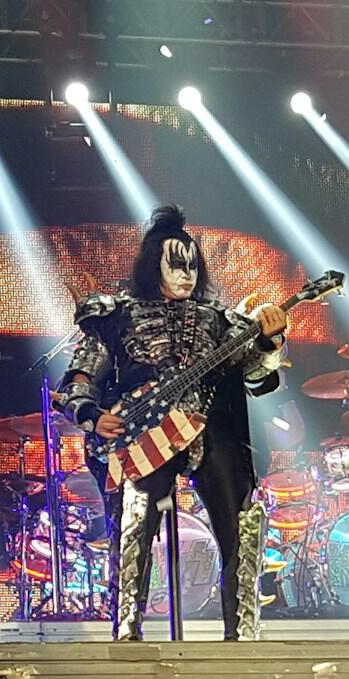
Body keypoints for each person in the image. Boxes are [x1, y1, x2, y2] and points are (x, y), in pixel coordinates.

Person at [59, 206, 290, 641]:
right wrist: (92, 416)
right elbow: (78, 379)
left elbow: (258, 375)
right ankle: (127, 631)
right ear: (153, 264)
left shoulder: (219, 320)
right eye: (175, 264)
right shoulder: (116, 316)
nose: (185, 274)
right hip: (142, 434)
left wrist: (270, 341)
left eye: (192, 265)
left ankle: (242, 636)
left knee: (240, 518)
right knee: (136, 514)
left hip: (209, 430)